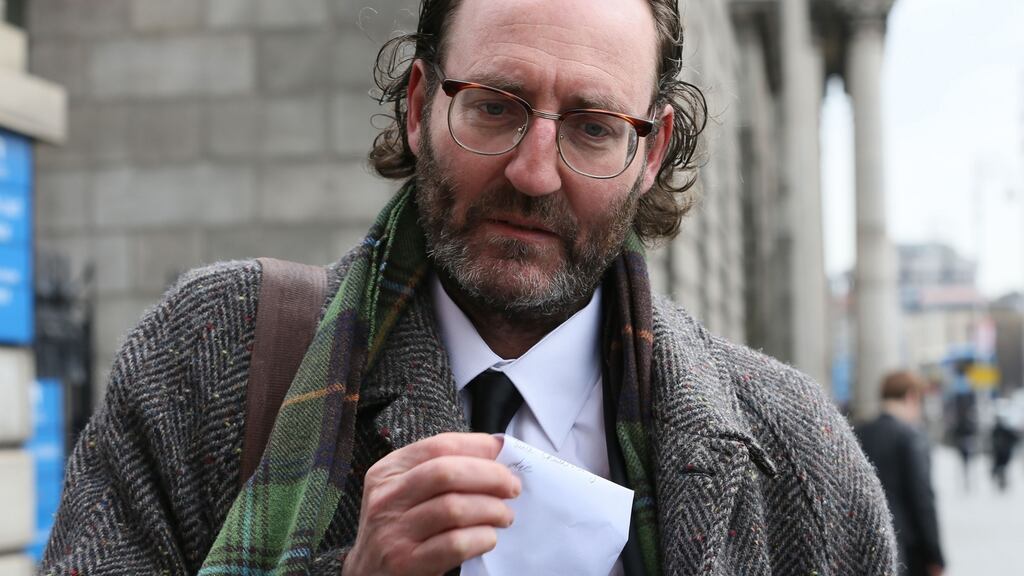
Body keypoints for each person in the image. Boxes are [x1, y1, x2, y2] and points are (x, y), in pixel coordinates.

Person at [41, 0, 897, 574]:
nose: (534, 174)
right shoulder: (211, 358)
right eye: (494, 105)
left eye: (595, 130)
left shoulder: (799, 460)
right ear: (418, 106)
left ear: (651, 151)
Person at [855, 371, 945, 576]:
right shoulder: (911, 437)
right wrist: (934, 555)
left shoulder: (859, 432)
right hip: (908, 549)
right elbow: (922, 499)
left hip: (865, 542)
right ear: (911, 396)